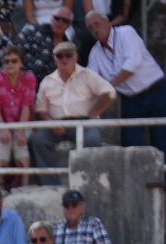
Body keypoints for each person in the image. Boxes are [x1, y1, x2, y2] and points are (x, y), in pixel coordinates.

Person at [83, 12, 166, 173]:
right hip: (131, 99)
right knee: (130, 145)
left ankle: (164, 183)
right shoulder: (95, 53)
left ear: (108, 22)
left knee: (161, 141)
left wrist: (109, 85)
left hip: (155, 91)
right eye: (91, 27)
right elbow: (91, 80)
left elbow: (132, 64)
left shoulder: (126, 32)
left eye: (98, 23)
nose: (95, 28)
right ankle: (136, 183)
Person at [29, 40, 113, 183]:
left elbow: (109, 93)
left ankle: (88, 182)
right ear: (55, 60)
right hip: (57, 124)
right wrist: (51, 124)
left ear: (76, 57)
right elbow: (41, 109)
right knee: (37, 140)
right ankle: (50, 185)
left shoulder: (88, 75)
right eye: (60, 56)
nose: (64, 59)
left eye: (68, 55)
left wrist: (92, 114)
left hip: (84, 122)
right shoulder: (47, 81)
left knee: (92, 140)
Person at [0, 45, 34, 190]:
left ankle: (23, 187)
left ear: (21, 63)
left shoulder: (29, 77)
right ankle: (1, 187)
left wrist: (20, 130)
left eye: (14, 61)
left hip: (22, 122)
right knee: (4, 140)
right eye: (6, 61)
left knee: (21, 141)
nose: (10, 64)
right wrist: (3, 128)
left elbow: (28, 104)